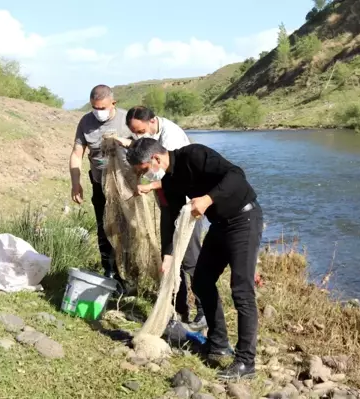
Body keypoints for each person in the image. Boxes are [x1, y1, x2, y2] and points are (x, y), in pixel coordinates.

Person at [125, 138, 263, 380]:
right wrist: (168, 255)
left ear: (156, 159)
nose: (145, 176)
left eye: (144, 170)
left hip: (244, 219)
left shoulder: (195, 155)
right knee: (201, 282)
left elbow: (236, 175)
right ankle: (218, 343)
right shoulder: (170, 180)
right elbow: (175, 220)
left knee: (241, 291)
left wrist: (208, 199)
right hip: (219, 225)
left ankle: (245, 361)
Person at [114, 106, 206, 330]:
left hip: (187, 207)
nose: (139, 136)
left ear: (153, 122)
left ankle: (205, 312)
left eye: (141, 130)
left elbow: (173, 176)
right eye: (134, 132)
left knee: (191, 260)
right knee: (171, 258)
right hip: (168, 204)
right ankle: (179, 308)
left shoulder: (171, 137)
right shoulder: (149, 136)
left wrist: (149, 185)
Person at [69, 84, 133, 289]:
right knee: (104, 228)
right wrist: (75, 183)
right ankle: (110, 271)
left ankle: (130, 274)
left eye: (103, 107)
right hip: (99, 184)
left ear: (113, 103)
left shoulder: (127, 120)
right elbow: (77, 154)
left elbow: (144, 146)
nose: (99, 112)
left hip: (125, 185)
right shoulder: (85, 122)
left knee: (127, 229)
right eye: (95, 107)